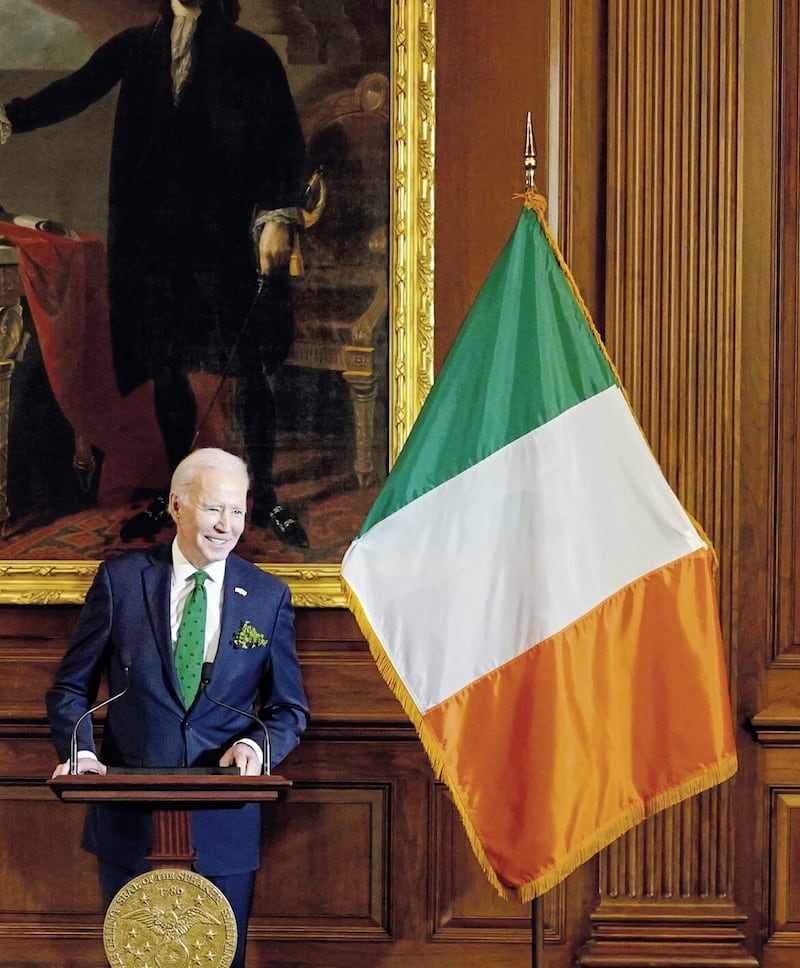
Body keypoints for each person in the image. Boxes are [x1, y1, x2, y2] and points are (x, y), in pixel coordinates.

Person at [0, 0, 310, 546]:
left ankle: (264, 495)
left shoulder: (250, 53)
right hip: (155, 245)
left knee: (253, 365)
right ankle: (178, 493)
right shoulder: (138, 46)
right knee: (166, 365)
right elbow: (77, 88)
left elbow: (282, 139)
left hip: (226, 239)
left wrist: (277, 216)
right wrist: (11, 116)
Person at [46, 447, 309, 968]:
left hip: (225, 823)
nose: (226, 525)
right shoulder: (121, 583)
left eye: (237, 510)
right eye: (214, 508)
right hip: (130, 819)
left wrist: (258, 744)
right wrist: (80, 753)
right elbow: (69, 690)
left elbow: (289, 709)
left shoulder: (266, 596)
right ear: (177, 506)